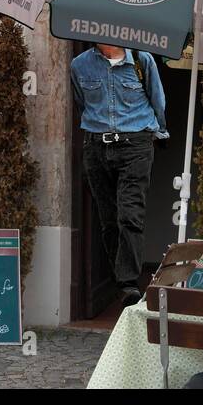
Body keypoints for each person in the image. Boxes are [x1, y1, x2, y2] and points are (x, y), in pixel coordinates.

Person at [70, 43, 167, 308]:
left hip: (135, 143)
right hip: (97, 146)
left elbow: (157, 100)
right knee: (109, 220)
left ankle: (128, 283)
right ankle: (121, 280)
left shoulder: (142, 60)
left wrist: (158, 133)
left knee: (130, 215)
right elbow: (82, 103)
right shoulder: (79, 64)